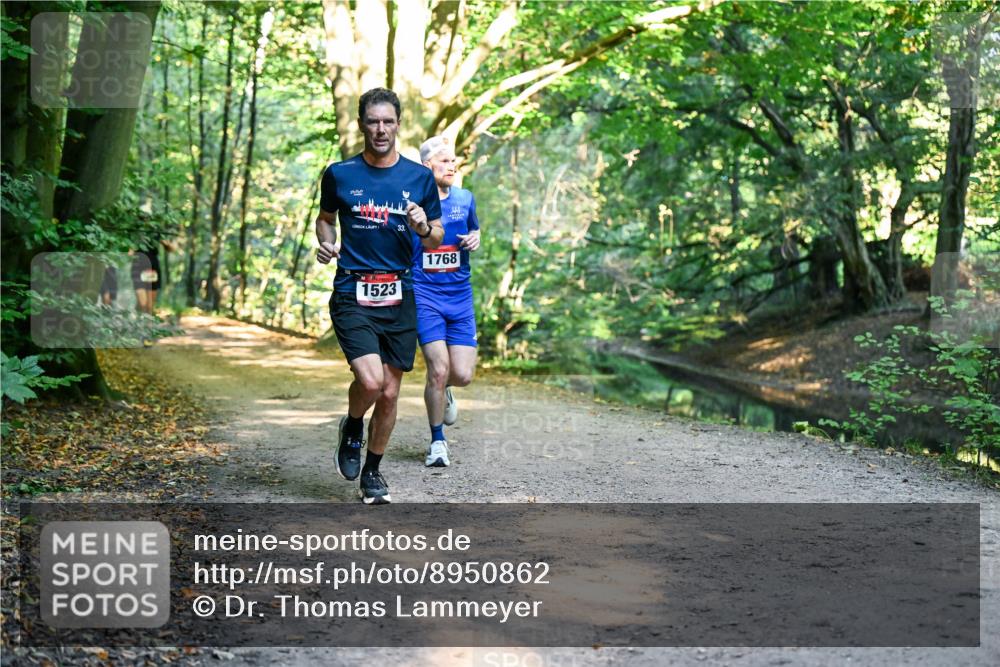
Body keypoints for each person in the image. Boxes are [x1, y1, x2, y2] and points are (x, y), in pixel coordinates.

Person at [316, 87, 444, 504]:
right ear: (361, 125)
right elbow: (325, 220)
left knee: (390, 392)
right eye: (373, 121)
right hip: (353, 288)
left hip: (400, 291)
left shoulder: (419, 178)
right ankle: (353, 425)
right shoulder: (340, 174)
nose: (381, 129)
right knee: (370, 381)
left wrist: (424, 226)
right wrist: (328, 243)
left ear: (398, 125)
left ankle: (372, 472)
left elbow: (436, 238)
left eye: (388, 121)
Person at [412, 136, 480, 468]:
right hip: (425, 295)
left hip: (460, 296)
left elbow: (475, 232)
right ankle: (438, 442)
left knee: (461, 375)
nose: (452, 166)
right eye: (444, 161)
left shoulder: (466, 198)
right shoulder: (412, 203)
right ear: (427, 166)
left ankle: (444, 389)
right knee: (438, 370)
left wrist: (475, 238)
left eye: (454, 161)